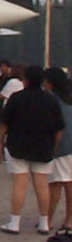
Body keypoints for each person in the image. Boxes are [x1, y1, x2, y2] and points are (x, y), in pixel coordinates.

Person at [0, 66, 65, 235]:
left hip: (18, 145)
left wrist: (1, 142)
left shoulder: (17, 98)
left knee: (19, 184)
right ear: (43, 80)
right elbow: (59, 128)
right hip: (44, 147)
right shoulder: (51, 101)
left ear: (25, 80)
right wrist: (54, 146)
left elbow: (5, 122)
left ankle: (14, 222)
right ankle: (44, 222)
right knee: (42, 185)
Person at [46, 67, 72, 231]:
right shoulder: (68, 98)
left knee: (55, 184)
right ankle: (69, 220)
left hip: (61, 145)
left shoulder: (52, 100)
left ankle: (47, 219)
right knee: (69, 183)